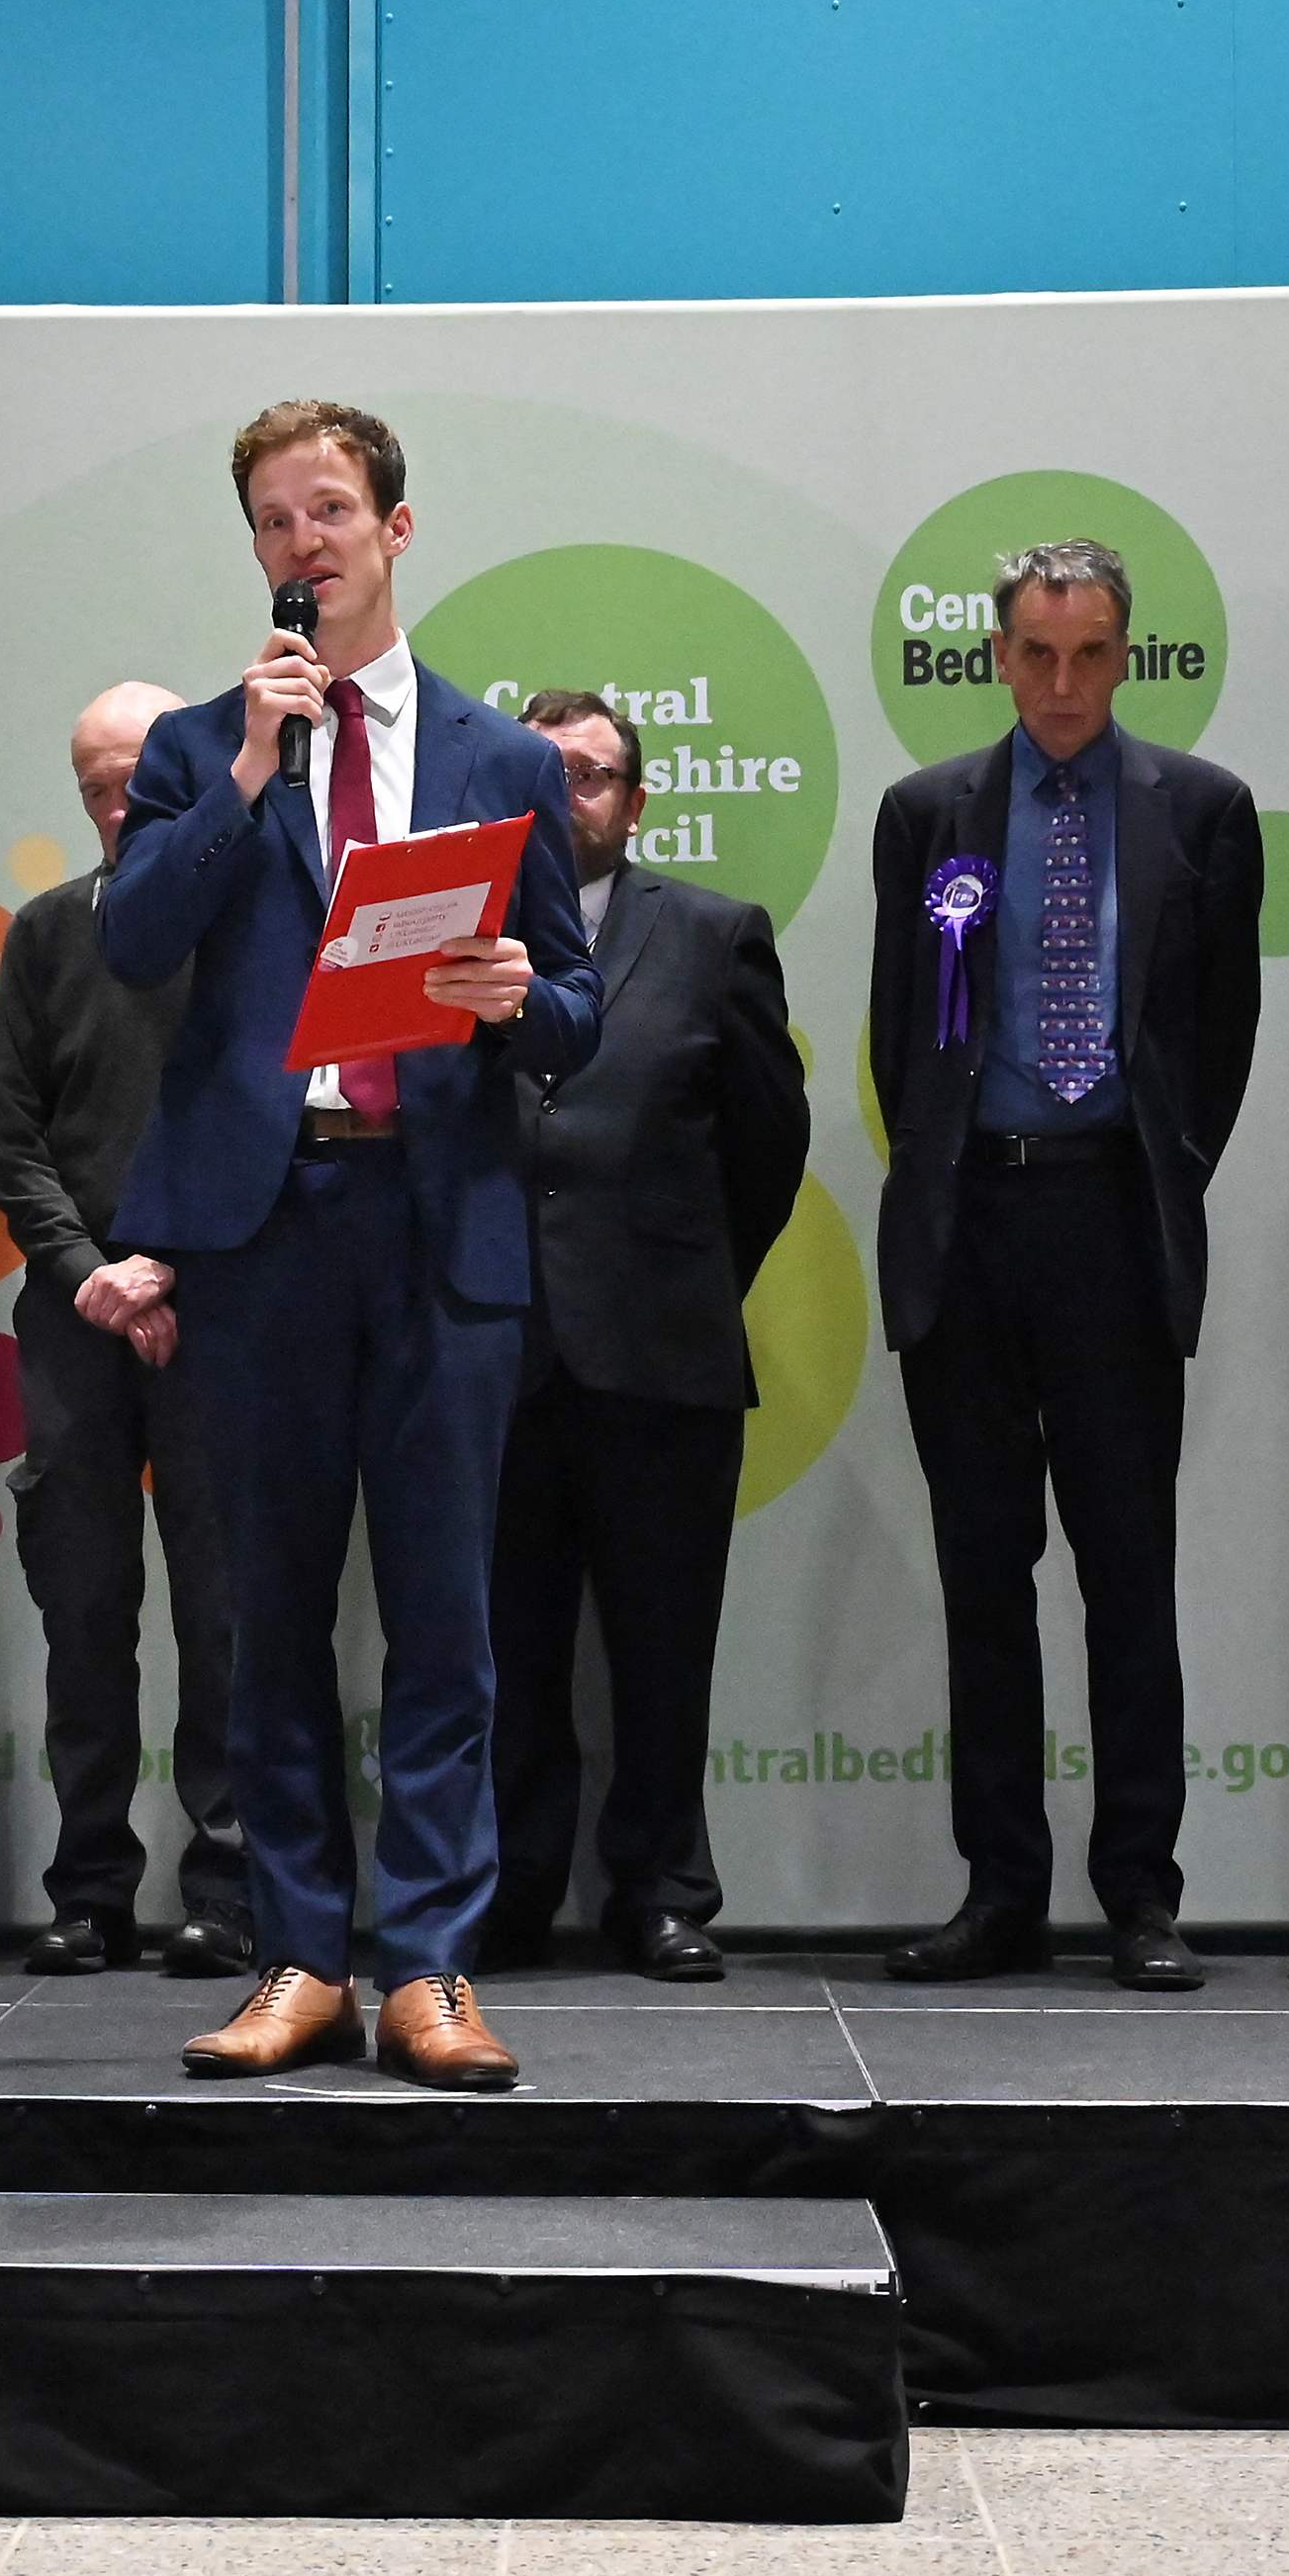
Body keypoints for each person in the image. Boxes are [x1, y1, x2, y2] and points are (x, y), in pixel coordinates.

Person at [101, 400, 598, 2091]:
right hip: (268, 1220)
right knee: (269, 1611)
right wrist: (248, 764)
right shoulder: (196, 745)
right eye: (271, 519)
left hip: (439, 1214)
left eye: (329, 510)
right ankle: (300, 1952)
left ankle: (433, 1966)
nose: (301, 542)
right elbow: (134, 937)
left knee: (449, 1617)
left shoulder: (504, 760)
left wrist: (528, 997)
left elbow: (577, 1009)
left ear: (398, 527)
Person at [867, 541, 1263, 1993]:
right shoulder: (930, 815)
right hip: (970, 1229)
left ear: (1127, 653)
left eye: (1091, 653)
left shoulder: (1202, 813)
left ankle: (1141, 1892)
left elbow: (1216, 1042)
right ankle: (1001, 1888)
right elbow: (901, 1033)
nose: (1063, 683)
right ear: (996, 654)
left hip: (1112, 1223)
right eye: (1036, 653)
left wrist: (1153, 1175)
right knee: (985, 1574)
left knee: (1127, 1571)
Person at [486, 687, 807, 1981]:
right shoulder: (451, 933)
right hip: (492, 1351)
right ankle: (509, 1887)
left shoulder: (716, 934)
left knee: (665, 1643)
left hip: (661, 1350)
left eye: (598, 776)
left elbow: (768, 1144)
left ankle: (663, 1890)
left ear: (639, 798)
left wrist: (685, 1272)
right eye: (545, 775)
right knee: (506, 1648)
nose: (572, 797)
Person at [0, 681, 252, 1980]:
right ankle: (88, 1893)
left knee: (226, 1617)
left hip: (224, 1318)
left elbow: (269, 1117)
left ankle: (231, 1892)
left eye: (134, 776)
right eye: (92, 782)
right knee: (84, 1611)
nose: (113, 803)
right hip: (74, 1321)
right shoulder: (44, 935)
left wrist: (174, 1270)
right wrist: (95, 1274)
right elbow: (10, 1140)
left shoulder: (258, 922)